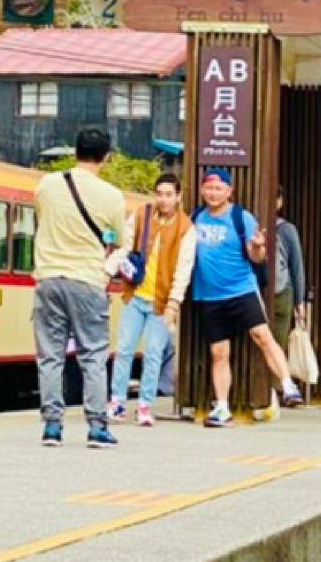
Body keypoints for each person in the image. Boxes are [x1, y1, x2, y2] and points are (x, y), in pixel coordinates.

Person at [33, 127, 129, 449]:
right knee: (93, 356)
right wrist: (107, 270)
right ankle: (97, 427)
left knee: (50, 356)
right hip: (87, 281)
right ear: (106, 157)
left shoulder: (47, 185)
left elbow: (43, 217)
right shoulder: (112, 196)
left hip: (49, 280)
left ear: (75, 151)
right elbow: (121, 244)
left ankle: (52, 427)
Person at [190, 168, 302, 427]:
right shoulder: (196, 218)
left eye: (219, 188)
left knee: (262, 336)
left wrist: (259, 248)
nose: (213, 193)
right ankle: (222, 407)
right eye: (209, 188)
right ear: (202, 190)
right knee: (219, 353)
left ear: (230, 191)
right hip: (209, 295)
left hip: (242, 290)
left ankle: (288, 385)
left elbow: (257, 257)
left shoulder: (242, 218)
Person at [105, 172, 195, 427]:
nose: (163, 200)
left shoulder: (186, 228)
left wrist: (174, 303)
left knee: (154, 354)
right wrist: (108, 270)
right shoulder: (142, 215)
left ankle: (145, 405)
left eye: (169, 195)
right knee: (123, 350)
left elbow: (183, 269)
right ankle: (117, 402)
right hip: (136, 295)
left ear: (178, 197)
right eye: (159, 194)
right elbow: (125, 246)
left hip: (161, 303)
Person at [270, 186, 308, 356]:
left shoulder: (252, 226)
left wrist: (299, 300)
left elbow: (297, 266)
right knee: (278, 344)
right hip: (282, 290)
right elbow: (296, 266)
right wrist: (299, 302)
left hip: (263, 292)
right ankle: (275, 382)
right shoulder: (288, 230)